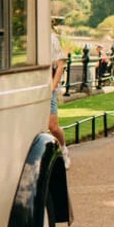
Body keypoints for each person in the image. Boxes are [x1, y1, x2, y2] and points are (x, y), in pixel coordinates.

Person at [50, 32, 69, 167]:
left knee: (52, 126)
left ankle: (63, 149)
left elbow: (60, 65)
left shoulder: (51, 38)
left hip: (49, 86)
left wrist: (53, 86)